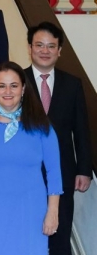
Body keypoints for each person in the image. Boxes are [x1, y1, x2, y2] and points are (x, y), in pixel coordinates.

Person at [0, 61, 62, 254]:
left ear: (23, 89)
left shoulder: (42, 126)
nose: (8, 91)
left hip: (30, 210)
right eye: (2, 85)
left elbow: (54, 171)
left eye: (14, 85)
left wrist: (53, 211)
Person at [24, 21, 92, 255]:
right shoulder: (16, 83)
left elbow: (81, 129)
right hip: (23, 174)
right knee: (28, 232)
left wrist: (84, 169)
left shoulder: (72, 84)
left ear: (59, 50)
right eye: (39, 45)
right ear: (29, 48)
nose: (45, 50)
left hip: (62, 174)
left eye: (51, 46)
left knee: (59, 236)